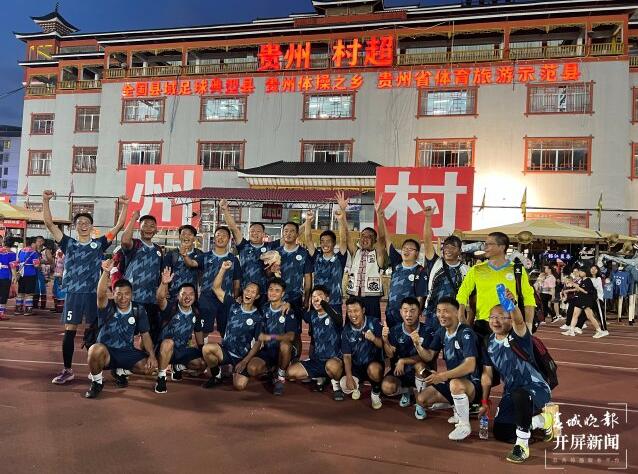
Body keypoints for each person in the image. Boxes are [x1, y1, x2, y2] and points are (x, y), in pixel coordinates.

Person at [43, 189, 129, 385]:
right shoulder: (68, 243)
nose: (83, 225)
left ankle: (95, 371)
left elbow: (118, 226)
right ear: (75, 227)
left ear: (91, 227)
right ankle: (67, 370)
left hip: (93, 294)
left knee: (95, 332)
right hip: (74, 293)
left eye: (86, 223)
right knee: (69, 332)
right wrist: (45, 200)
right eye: (79, 223)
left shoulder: (99, 244)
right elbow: (49, 224)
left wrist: (124, 205)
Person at [480, 296, 554, 463]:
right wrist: (484, 401)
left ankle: (522, 446)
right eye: (492, 317)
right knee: (502, 432)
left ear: (510, 319)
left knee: (521, 395)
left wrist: (511, 305)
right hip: (511, 392)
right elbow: (487, 375)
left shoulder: (519, 337)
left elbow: (519, 322)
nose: (496, 321)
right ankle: (544, 420)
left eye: (501, 317)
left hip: (536, 387)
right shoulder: (488, 342)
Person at [85, 260, 158, 399]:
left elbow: (145, 335)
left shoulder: (138, 309)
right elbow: (100, 294)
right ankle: (97, 382)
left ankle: (121, 371)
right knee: (94, 350)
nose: (123, 298)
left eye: (127, 294)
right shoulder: (107, 307)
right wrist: (106, 272)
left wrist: (152, 356)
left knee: (150, 368)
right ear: (113, 293)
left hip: (127, 352)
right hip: (107, 352)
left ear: (132, 294)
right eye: (119, 294)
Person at [414, 297, 482, 441]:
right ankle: (457, 405)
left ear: (457, 312)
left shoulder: (466, 333)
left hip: (472, 385)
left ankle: (464, 425)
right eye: (438, 311)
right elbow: (429, 356)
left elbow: (470, 365)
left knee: (455, 384)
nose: (441, 315)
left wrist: (442, 376)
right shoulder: (441, 332)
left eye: (445, 311)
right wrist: (417, 345)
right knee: (421, 400)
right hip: (451, 381)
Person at [456, 232, 536, 339]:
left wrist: (528, 326)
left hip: (509, 324)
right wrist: (461, 315)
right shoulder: (476, 269)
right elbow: (462, 292)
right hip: (483, 325)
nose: (485, 247)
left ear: (502, 247)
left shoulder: (517, 270)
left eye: (489, 244)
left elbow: (528, 298)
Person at [201, 260, 262, 391]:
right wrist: (223, 269)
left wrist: (244, 361)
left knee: (239, 386)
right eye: (247, 290)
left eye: (253, 292)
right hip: (225, 351)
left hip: (241, 356)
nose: (248, 293)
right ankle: (217, 375)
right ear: (243, 291)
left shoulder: (258, 317)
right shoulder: (233, 305)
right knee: (206, 349)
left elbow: (257, 343)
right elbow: (216, 288)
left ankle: (233, 369)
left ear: (257, 297)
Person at [286, 285, 344, 400]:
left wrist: (323, 304)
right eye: (313, 297)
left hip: (333, 360)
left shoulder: (333, 314)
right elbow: (300, 312)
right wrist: (289, 303)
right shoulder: (312, 315)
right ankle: (321, 376)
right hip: (317, 361)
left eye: (320, 296)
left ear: (327, 299)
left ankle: (336, 386)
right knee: (290, 372)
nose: (316, 299)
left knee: (332, 366)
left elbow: (339, 320)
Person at [154, 268, 206, 394]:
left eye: (191, 294)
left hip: (182, 350)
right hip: (164, 350)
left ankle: (178, 367)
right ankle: (161, 377)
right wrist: (164, 283)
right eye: (184, 294)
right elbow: (160, 298)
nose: (187, 297)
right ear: (178, 296)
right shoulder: (170, 307)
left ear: (195, 296)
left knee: (203, 362)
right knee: (168, 343)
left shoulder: (196, 312)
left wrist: (202, 350)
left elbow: (198, 332)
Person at [182, 225, 240, 337]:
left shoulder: (233, 259)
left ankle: (225, 348)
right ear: (214, 238)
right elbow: (192, 263)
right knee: (204, 329)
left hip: (224, 298)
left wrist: (234, 298)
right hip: (207, 299)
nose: (220, 238)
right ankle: (201, 347)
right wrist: (185, 256)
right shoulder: (205, 256)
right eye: (218, 235)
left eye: (224, 236)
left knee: (225, 330)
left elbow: (236, 282)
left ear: (229, 239)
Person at [422, 206, 469, 342]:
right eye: (446, 246)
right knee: (430, 347)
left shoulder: (467, 270)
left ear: (460, 251)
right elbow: (427, 240)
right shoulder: (435, 262)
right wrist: (428, 218)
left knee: (453, 347)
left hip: (456, 315)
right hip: (434, 314)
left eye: (453, 247)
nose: (448, 249)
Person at [377, 203, 425, 327]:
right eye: (404, 248)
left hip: (408, 317)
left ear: (417, 253)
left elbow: (420, 296)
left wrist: (416, 314)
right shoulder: (397, 263)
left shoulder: (420, 270)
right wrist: (381, 217)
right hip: (391, 314)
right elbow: (387, 240)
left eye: (410, 249)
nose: (406, 251)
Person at [247, 277, 296, 395]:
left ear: (282, 294)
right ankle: (272, 369)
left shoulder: (288, 310)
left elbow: (291, 336)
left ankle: (280, 376)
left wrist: (270, 337)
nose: (273, 293)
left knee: (285, 345)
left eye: (277, 290)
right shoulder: (263, 309)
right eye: (271, 289)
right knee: (252, 369)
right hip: (268, 350)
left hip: (284, 350)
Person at [220, 198, 278, 295]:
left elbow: (289, 237)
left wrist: (305, 223)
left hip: (264, 292)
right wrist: (225, 210)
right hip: (244, 290)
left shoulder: (271, 246)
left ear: (264, 234)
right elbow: (233, 228)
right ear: (249, 233)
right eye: (252, 231)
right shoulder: (243, 245)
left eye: (258, 231)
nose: (255, 233)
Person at [120, 213, 163, 343]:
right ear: (140, 228)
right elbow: (125, 240)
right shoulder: (135, 244)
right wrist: (134, 217)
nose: (149, 229)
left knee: (148, 334)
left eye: (152, 226)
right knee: (128, 332)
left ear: (156, 229)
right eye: (145, 226)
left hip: (151, 300)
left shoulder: (158, 249)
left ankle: (144, 355)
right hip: (133, 298)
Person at [305, 191, 349, 316]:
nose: (325, 244)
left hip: (334, 302)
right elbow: (308, 239)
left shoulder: (340, 258)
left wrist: (340, 219)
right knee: (315, 327)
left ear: (334, 243)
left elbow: (343, 239)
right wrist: (308, 221)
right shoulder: (316, 257)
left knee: (334, 327)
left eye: (328, 241)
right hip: (317, 302)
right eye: (322, 241)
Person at [380, 297, 429, 409]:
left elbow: (427, 357)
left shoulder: (427, 331)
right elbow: (390, 354)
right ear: (400, 312)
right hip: (400, 371)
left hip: (420, 371)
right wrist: (385, 340)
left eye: (412, 311)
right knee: (386, 387)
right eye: (405, 310)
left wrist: (403, 360)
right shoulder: (395, 330)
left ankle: (420, 401)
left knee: (421, 367)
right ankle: (407, 390)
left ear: (419, 312)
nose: (408, 314)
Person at [344, 198, 387, 320]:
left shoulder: (377, 253)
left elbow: (382, 239)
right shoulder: (355, 252)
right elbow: (347, 236)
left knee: (373, 326)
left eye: (369, 236)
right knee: (352, 326)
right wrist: (342, 213)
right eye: (363, 235)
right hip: (354, 295)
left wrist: (379, 215)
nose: (365, 238)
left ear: (374, 240)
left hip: (371, 297)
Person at [340, 297, 384, 409]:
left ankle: (375, 392)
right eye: (349, 311)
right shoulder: (346, 330)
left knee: (374, 370)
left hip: (372, 364)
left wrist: (373, 339)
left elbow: (384, 345)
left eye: (356, 311)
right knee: (344, 385)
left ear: (363, 310)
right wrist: (349, 376)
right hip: (357, 367)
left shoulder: (374, 322)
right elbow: (347, 356)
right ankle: (357, 386)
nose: (352, 314)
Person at [272, 221, 312, 328]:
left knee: (294, 331)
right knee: (276, 329)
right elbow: (269, 274)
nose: (288, 233)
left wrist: (306, 299)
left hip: (295, 298)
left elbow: (308, 279)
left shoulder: (304, 253)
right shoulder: (276, 253)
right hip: (277, 298)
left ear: (297, 234)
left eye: (292, 231)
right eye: (286, 231)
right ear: (283, 233)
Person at [561, 268, 607, 338]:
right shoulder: (582, 280)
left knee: (590, 317)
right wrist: (573, 285)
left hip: (586, 300)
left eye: (581, 271)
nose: (579, 273)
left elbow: (586, 292)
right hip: (580, 299)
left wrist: (577, 287)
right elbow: (579, 289)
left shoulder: (588, 280)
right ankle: (571, 330)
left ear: (585, 272)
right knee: (575, 315)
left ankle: (599, 331)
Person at [162, 225, 202, 303]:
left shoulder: (200, 254)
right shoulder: (171, 254)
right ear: (179, 236)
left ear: (194, 238)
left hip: (192, 297)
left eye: (190, 234)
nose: (186, 236)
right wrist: (165, 291)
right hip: (174, 297)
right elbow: (164, 274)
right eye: (183, 234)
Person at [15, 235, 44, 314]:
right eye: (36, 243)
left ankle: (18, 309)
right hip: (30, 273)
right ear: (32, 244)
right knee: (29, 293)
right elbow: (36, 265)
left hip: (21, 274)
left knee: (21, 292)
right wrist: (40, 265)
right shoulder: (34, 252)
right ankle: (28, 309)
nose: (37, 245)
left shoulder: (21, 251)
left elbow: (17, 262)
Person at [0, 236, 17, 320]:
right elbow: (13, 267)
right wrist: (14, 276)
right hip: (5, 276)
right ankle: (1, 314)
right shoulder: (12, 254)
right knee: (3, 295)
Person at [51, 247, 65, 313]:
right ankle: (57, 307)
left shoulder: (65, 250)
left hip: (61, 274)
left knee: (60, 291)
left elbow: (65, 263)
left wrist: (62, 274)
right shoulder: (58, 250)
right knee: (55, 290)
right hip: (56, 273)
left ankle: (60, 308)